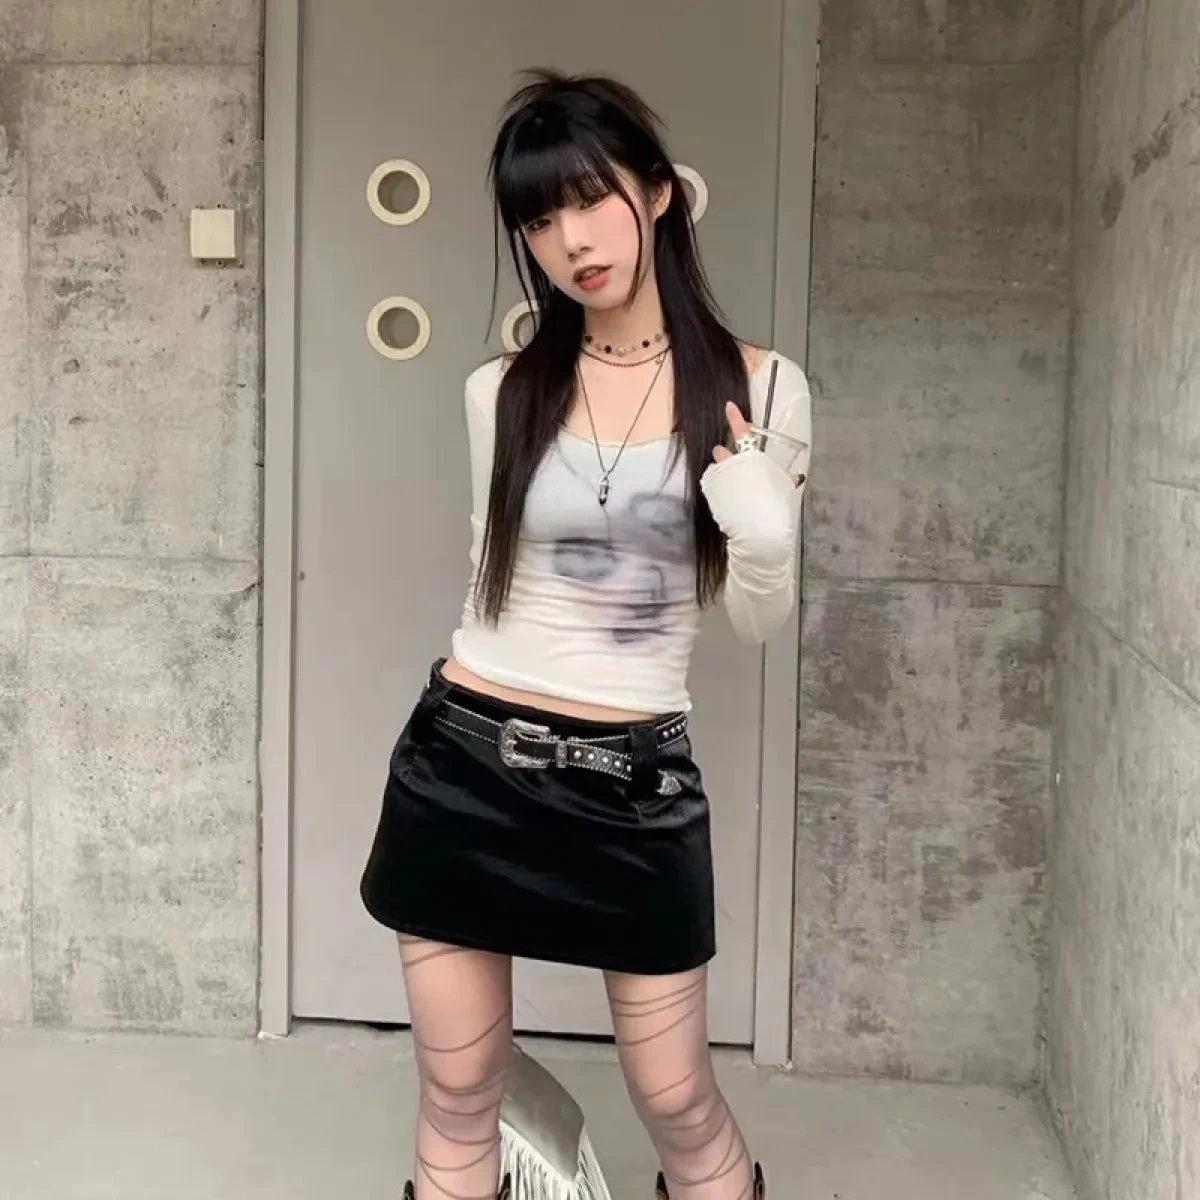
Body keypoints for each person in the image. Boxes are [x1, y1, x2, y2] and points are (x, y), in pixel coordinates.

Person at [359, 67, 812, 1200]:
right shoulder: (501, 391)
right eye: (538, 219)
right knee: (458, 1090)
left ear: (659, 192)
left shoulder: (761, 390)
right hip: (467, 764)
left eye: (590, 198)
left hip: (635, 787)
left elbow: (759, 620)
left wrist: (764, 538)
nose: (570, 240)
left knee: (677, 1097)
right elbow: (491, 583)